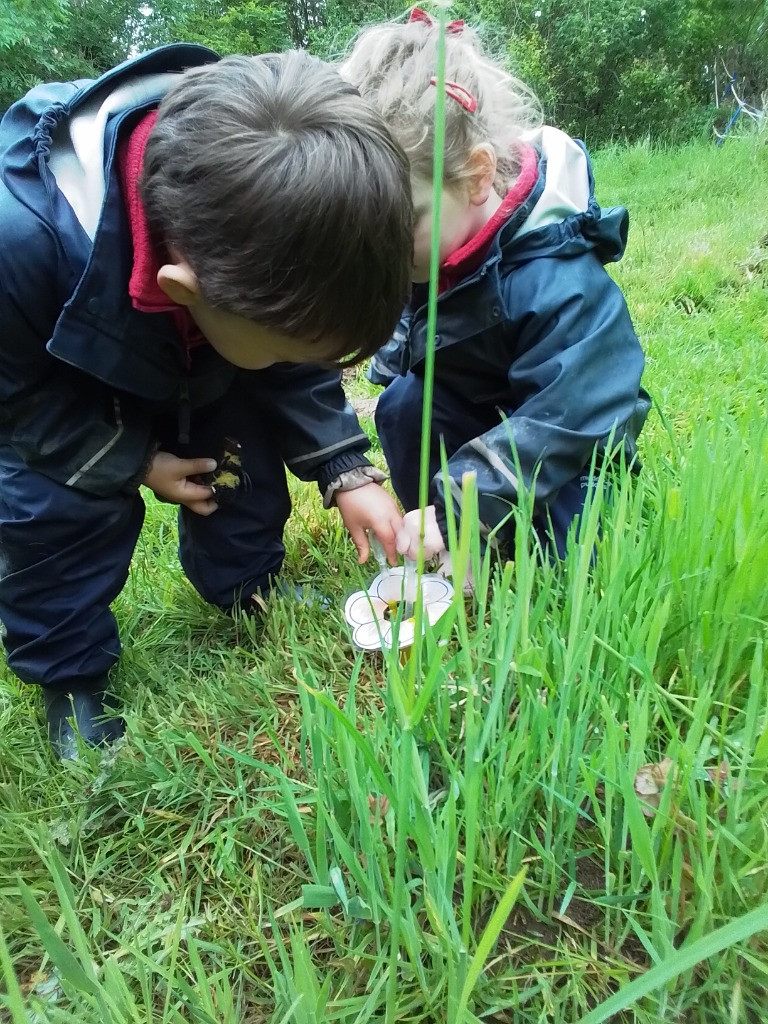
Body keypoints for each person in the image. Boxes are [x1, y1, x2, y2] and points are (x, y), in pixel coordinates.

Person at [0, 44, 413, 759]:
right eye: (295, 345)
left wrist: (346, 467)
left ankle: (246, 582)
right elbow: (18, 406)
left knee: (240, 429)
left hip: (205, 346)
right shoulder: (19, 243)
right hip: (61, 377)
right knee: (51, 505)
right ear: (185, 288)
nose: (303, 360)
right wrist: (135, 458)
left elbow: (290, 354)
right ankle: (71, 678)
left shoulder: (264, 208)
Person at [341, 10, 651, 566]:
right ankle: (448, 549)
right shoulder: (426, 249)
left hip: (569, 443)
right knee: (403, 404)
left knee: (576, 557)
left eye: (399, 223)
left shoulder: (553, 272)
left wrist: (466, 499)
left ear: (478, 175)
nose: (380, 253)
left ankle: (470, 525)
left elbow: (571, 413)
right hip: (481, 422)